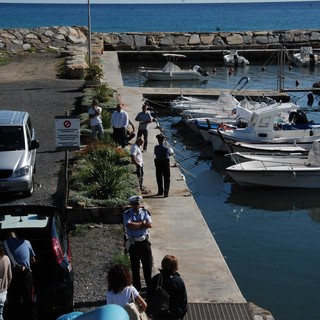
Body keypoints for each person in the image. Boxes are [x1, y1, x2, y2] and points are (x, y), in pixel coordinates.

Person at [3, 231, 37, 320]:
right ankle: (30, 317)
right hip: (26, 273)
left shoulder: (4, 244)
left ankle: (15, 317)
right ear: (16, 237)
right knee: (29, 298)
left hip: (12, 274)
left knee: (13, 299)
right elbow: (33, 260)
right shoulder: (26, 242)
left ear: (7, 238)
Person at [123, 196, 153, 292]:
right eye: (134, 204)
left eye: (137, 204)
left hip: (144, 241)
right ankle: (137, 288)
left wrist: (137, 225)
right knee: (135, 267)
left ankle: (149, 286)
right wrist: (142, 223)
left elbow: (150, 224)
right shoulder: (127, 214)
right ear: (131, 205)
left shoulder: (145, 212)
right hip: (134, 243)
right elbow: (130, 226)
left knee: (147, 266)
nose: (136, 206)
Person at [147, 255, 187, 320]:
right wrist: (180, 315)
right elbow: (183, 302)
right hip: (174, 315)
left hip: (159, 314)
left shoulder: (156, 279)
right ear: (175, 265)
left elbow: (149, 296)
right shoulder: (179, 281)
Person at [154, 133, 173, 197]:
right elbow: (169, 155)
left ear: (158, 140)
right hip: (165, 163)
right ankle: (166, 192)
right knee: (166, 178)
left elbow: (155, 153)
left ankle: (160, 191)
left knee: (159, 177)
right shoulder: (166, 148)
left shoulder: (156, 147)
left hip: (158, 162)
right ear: (163, 140)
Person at [0, 243, 12, 320]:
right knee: (0, 314)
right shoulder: (6, 258)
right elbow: (10, 276)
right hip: (3, 293)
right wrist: (6, 288)